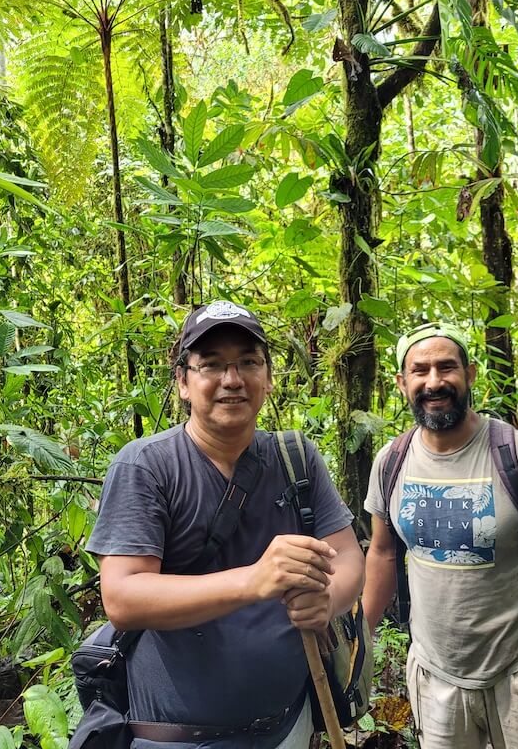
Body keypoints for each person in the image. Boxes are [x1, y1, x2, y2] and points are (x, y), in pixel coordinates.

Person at [86, 300, 364, 749]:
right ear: (182, 381)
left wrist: (329, 601)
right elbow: (123, 596)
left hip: (288, 724)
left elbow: (349, 555)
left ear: (268, 378)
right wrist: (253, 581)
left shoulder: (296, 459)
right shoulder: (146, 466)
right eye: (211, 365)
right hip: (176, 737)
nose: (231, 380)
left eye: (248, 363)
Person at [362, 322, 518, 749]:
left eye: (446, 367)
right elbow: (381, 553)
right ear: (402, 383)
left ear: (470, 374)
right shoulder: (391, 461)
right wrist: (362, 637)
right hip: (436, 675)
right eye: (420, 371)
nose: (434, 382)